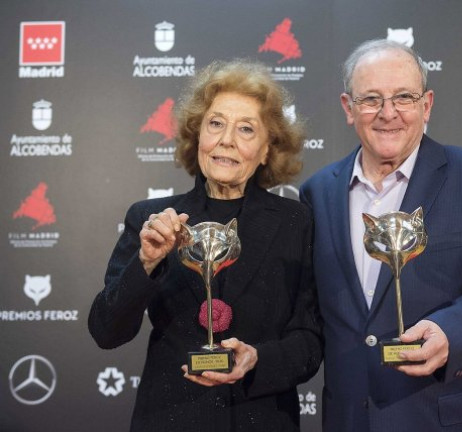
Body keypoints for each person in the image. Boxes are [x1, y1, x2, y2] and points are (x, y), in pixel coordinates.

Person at [300, 39, 462, 431]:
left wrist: (452, 332)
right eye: (371, 99)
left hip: (453, 417)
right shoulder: (318, 191)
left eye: (404, 98)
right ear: (348, 108)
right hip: (352, 419)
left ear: (426, 105)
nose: (388, 113)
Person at [89, 59, 322, 432]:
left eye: (246, 129)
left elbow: (310, 340)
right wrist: (146, 263)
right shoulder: (150, 219)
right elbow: (106, 331)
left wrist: (257, 360)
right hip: (169, 417)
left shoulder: (297, 223)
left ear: (267, 149)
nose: (226, 139)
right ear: (198, 135)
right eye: (216, 124)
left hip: (260, 417)